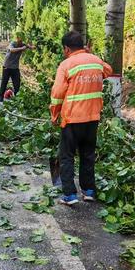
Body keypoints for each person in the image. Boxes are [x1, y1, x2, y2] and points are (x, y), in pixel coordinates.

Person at [50, 31, 112, 205]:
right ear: (82, 46)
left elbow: (57, 94)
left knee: (67, 156)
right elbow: (108, 70)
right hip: (92, 118)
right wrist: (89, 54)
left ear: (67, 48)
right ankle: (89, 190)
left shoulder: (66, 65)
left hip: (72, 119)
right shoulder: (96, 61)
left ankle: (69, 195)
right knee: (88, 155)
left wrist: (54, 114)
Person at [0, 33, 34, 102]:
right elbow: (11, 50)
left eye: (21, 40)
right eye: (19, 39)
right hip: (7, 66)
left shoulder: (23, 44)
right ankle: (0, 97)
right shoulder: (13, 43)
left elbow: (30, 47)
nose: (20, 41)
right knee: (4, 82)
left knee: (17, 83)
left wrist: (32, 47)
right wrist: (22, 48)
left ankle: (17, 98)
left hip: (15, 68)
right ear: (17, 38)